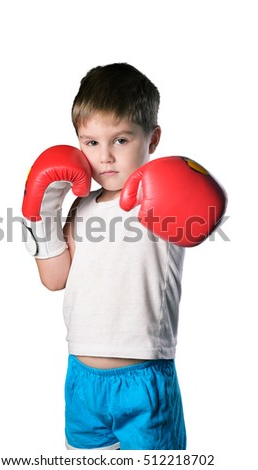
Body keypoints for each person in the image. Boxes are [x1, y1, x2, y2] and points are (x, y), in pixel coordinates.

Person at [22, 63, 187, 450]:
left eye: (121, 140)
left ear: (153, 138)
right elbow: (54, 278)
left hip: (144, 377)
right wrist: (42, 215)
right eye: (91, 142)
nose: (106, 157)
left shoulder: (162, 195)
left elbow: (199, 221)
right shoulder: (81, 206)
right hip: (82, 380)